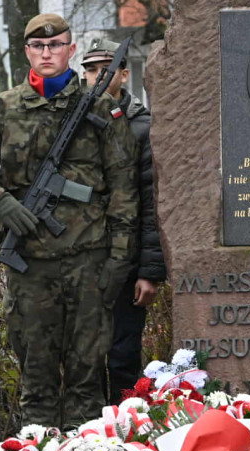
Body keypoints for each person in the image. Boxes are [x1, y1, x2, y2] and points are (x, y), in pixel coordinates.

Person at [0, 14, 139, 429]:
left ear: (70, 50)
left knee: (87, 385)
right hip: (30, 265)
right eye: (38, 47)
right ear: (27, 51)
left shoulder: (102, 110)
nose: (47, 53)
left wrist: (120, 258)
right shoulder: (4, 108)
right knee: (37, 384)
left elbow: (124, 187)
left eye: (56, 45)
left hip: (89, 262)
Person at [80, 38, 166, 404]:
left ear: (124, 74)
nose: (96, 76)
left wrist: (149, 271)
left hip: (127, 262)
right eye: (90, 69)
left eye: (104, 68)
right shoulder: (75, 125)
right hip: (81, 261)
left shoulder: (144, 128)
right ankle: (84, 438)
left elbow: (154, 204)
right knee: (82, 357)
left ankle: (127, 430)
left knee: (123, 355)